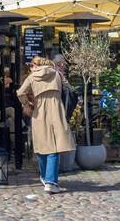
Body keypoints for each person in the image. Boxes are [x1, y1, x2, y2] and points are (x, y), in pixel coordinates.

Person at [17, 56, 76, 194]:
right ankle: (50, 182)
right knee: (54, 147)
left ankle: (45, 177)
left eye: (32, 65)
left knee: (41, 146)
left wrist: (27, 104)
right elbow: (68, 90)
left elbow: (20, 93)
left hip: (39, 111)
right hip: (56, 110)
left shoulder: (32, 77)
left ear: (36, 65)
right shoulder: (56, 74)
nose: (31, 67)